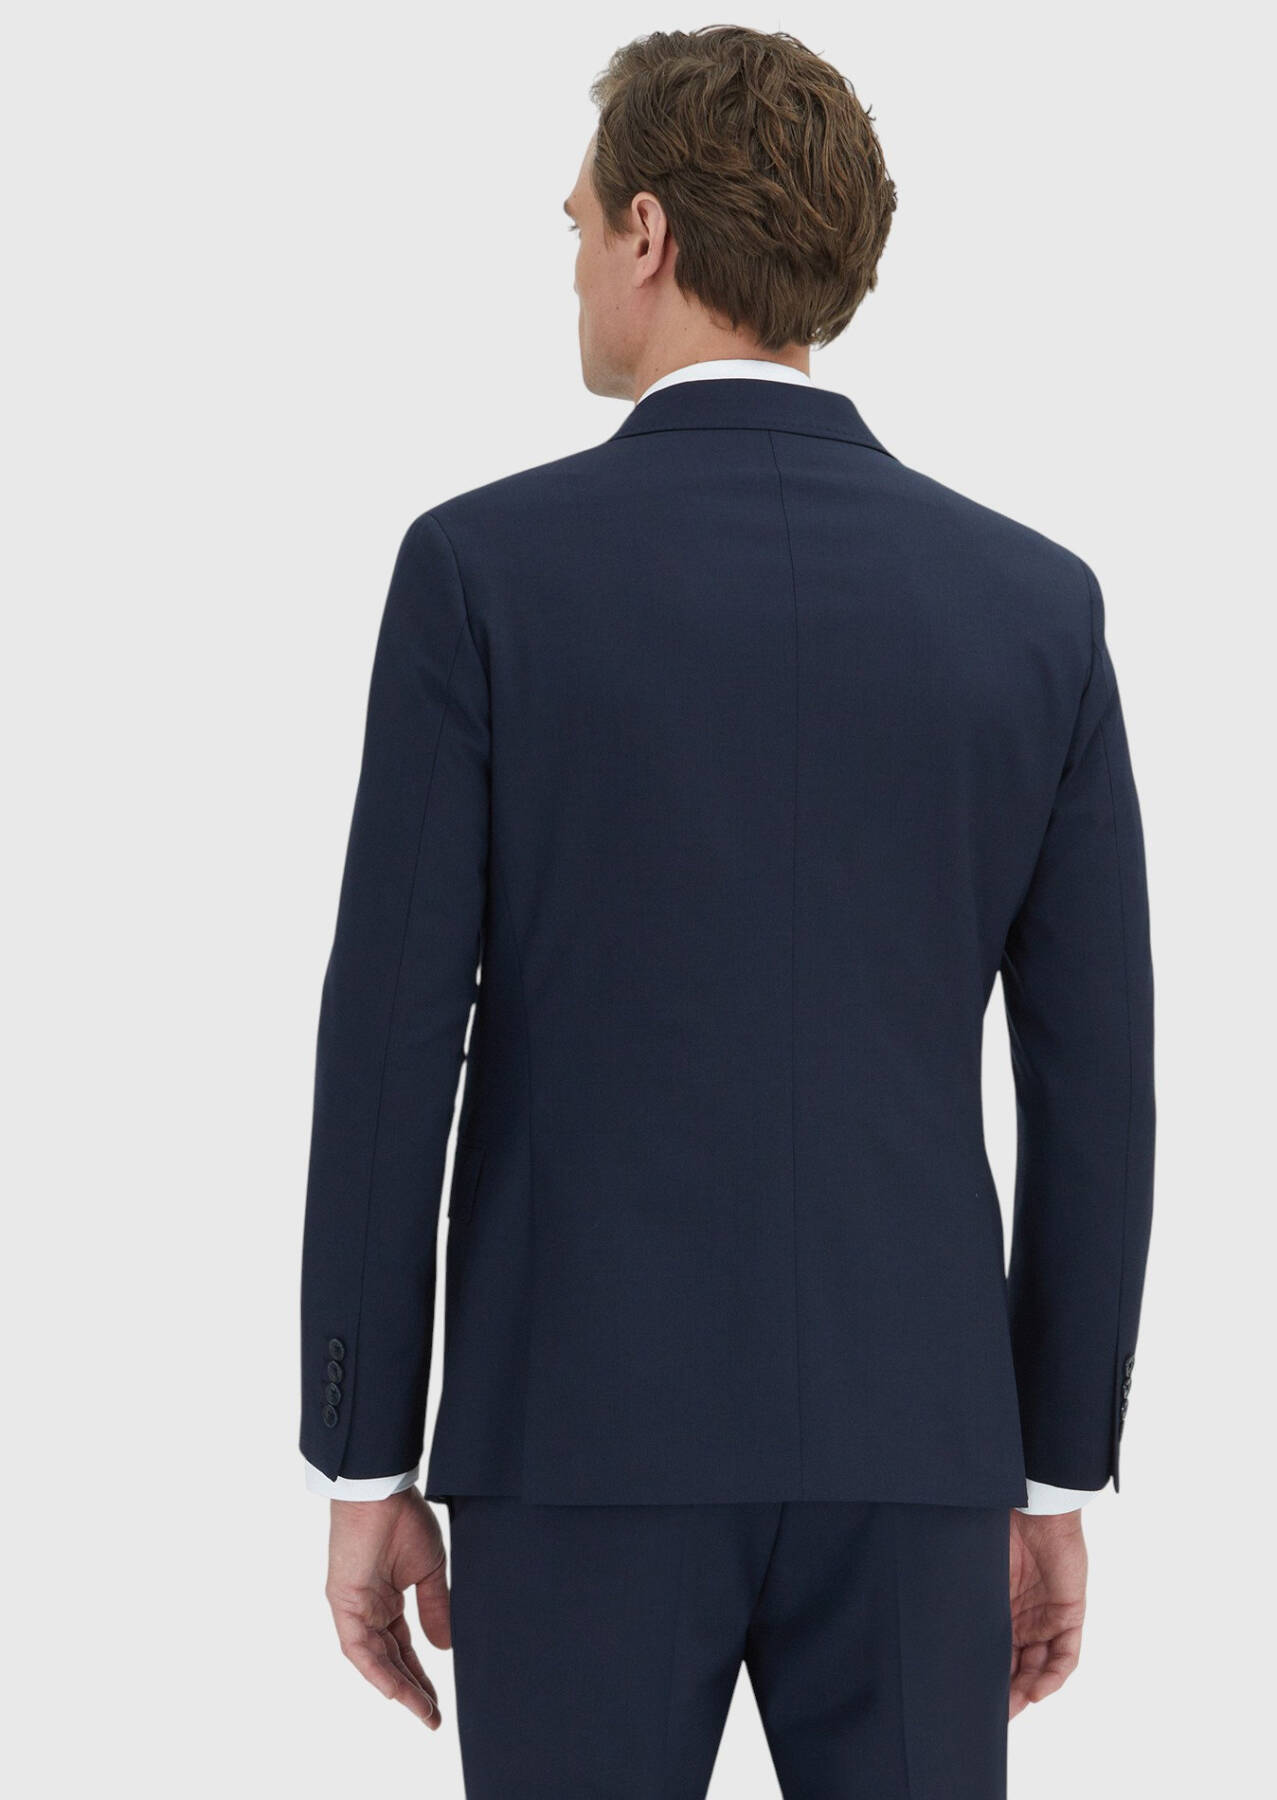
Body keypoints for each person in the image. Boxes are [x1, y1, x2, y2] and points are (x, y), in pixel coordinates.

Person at [298, 25, 1155, 1798]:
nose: (568, 254)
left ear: (649, 232)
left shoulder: (481, 572)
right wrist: (1052, 1468)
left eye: (574, 219)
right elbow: (1096, 1082)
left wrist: (363, 1456)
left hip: (573, 1437)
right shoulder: (1031, 607)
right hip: (917, 1445)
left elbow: (391, 1045)